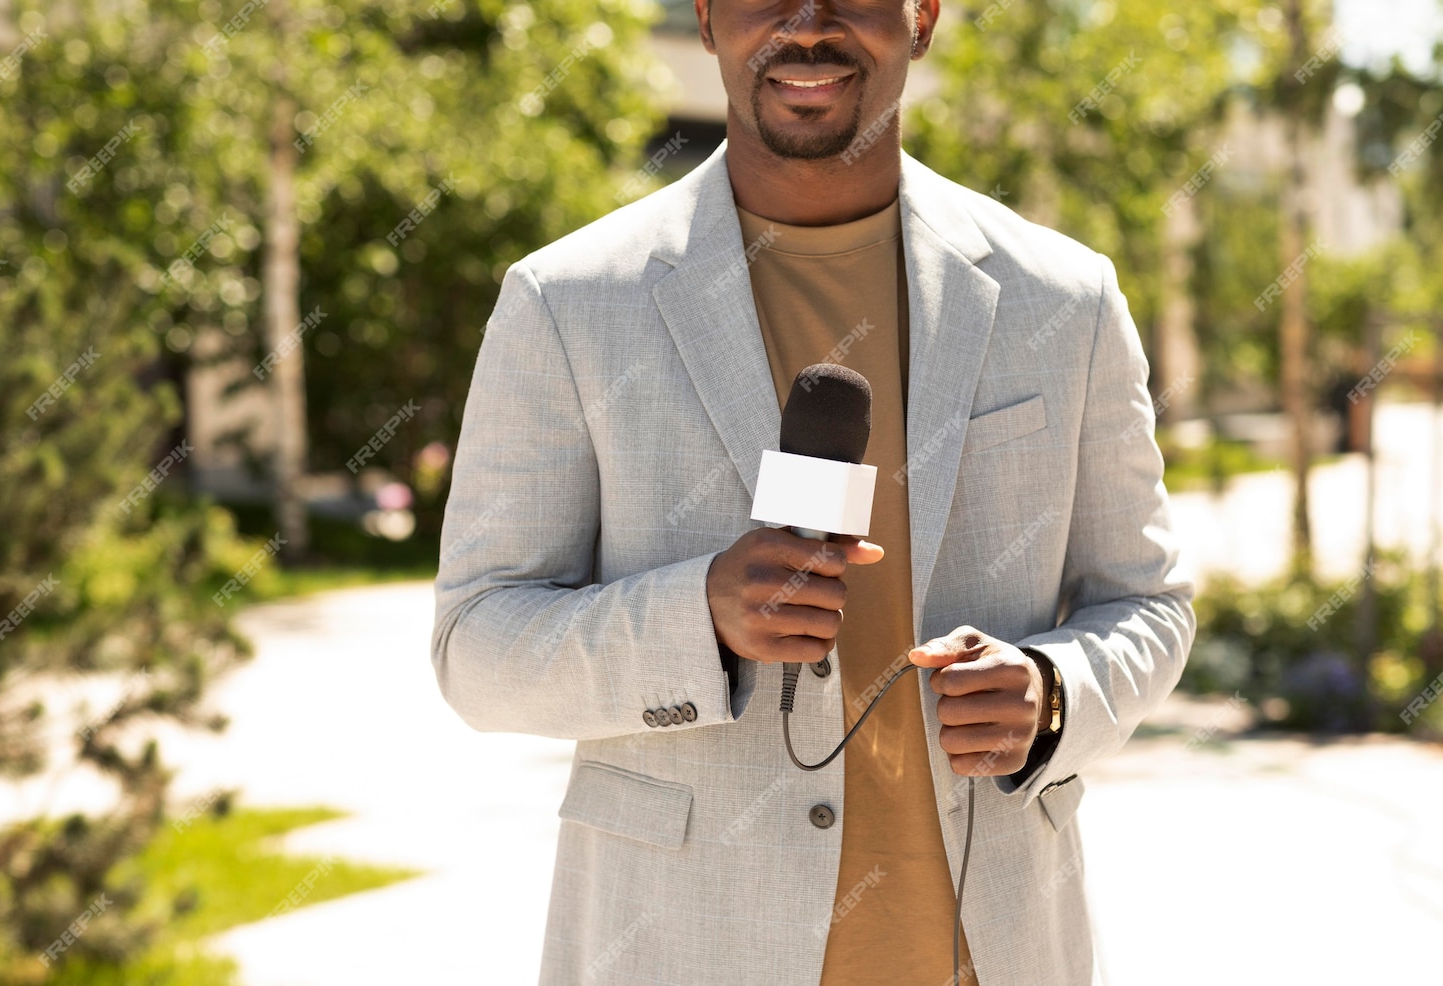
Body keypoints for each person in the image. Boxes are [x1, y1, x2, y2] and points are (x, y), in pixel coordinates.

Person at [430, 0, 1195, 982]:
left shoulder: (1066, 299)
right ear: (704, 17)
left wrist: (1052, 692)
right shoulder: (568, 303)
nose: (807, 23)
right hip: (680, 948)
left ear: (921, 17)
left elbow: (1149, 601)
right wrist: (698, 612)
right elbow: (478, 644)